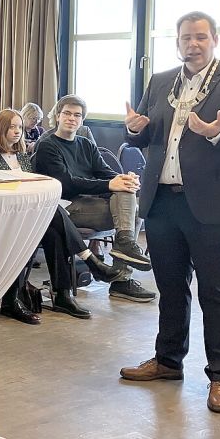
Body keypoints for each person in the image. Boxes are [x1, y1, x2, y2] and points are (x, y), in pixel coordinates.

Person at [119, 11, 220, 413]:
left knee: (216, 293)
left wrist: (218, 132)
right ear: (177, 41)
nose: (193, 44)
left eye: (201, 37)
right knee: (170, 288)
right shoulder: (160, 81)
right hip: (162, 202)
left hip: (214, 205)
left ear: (215, 39)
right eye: (186, 37)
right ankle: (169, 361)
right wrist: (135, 129)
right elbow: (147, 132)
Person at [0, 110, 126, 322]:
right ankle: (89, 261)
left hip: (32, 213)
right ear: (0, 130)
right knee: (51, 212)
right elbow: (1, 190)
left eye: (19, 128)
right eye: (11, 127)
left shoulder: (23, 156)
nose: (16, 132)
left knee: (53, 230)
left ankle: (63, 295)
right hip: (8, 216)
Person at [33, 94, 157, 303]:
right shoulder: (47, 145)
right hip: (64, 208)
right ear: (57, 116)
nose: (72, 118)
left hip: (89, 202)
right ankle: (121, 277)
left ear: (82, 120)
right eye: (67, 114)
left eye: (77, 115)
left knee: (128, 197)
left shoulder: (85, 144)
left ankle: (123, 256)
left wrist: (124, 179)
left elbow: (104, 171)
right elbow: (67, 182)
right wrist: (110, 184)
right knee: (129, 211)